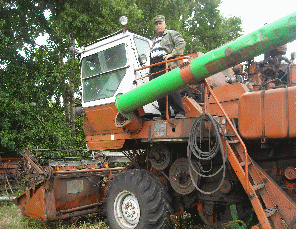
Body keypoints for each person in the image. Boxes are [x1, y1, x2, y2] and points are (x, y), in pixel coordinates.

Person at [150, 15, 186, 119]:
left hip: (167, 64)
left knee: (171, 87)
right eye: (156, 24)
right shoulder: (154, 40)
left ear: (164, 24)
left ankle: (179, 112)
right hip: (155, 66)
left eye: (160, 23)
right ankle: (164, 114)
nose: (158, 26)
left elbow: (181, 44)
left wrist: (171, 55)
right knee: (158, 90)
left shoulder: (171, 33)